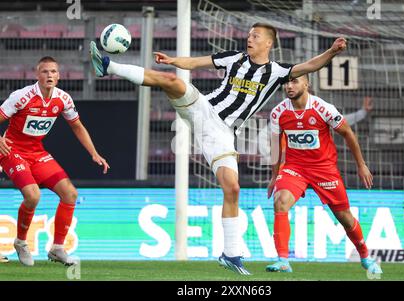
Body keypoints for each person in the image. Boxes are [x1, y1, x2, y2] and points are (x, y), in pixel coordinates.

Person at [90, 23, 346, 275]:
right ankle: (108, 66)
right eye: (248, 35)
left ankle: (231, 254)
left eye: (255, 36)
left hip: (223, 134)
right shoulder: (234, 59)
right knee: (172, 81)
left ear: (268, 42)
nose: (249, 39)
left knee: (232, 188)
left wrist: (333, 51)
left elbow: (311, 65)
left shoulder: (278, 72)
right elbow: (196, 63)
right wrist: (172, 60)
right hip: (204, 109)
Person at [265, 75, 382, 275]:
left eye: (294, 82)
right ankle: (283, 260)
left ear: (306, 84)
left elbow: (347, 133)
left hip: (324, 169)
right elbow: (276, 145)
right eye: (287, 82)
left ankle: (365, 256)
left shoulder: (323, 108)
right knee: (280, 201)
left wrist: (361, 165)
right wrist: (275, 175)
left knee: (344, 217)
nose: (289, 86)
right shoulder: (278, 112)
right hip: (295, 168)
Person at [0, 56, 109, 266]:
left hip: (37, 152)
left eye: (53, 72)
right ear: (37, 75)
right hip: (11, 150)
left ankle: (58, 248)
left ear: (58, 76)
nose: (49, 75)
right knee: (33, 195)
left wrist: (94, 153)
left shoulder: (63, 99)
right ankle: (21, 242)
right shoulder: (22, 97)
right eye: (45, 71)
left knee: (70, 193)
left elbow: (77, 126)